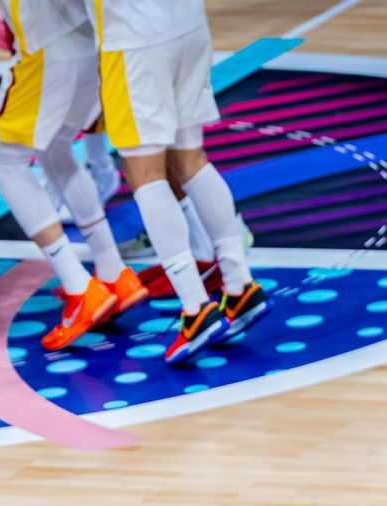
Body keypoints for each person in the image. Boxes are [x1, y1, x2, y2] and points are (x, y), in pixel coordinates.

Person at [87, 0, 271, 365]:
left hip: (134, 37)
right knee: (191, 159)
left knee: (144, 173)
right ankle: (239, 287)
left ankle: (195, 308)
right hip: (188, 24)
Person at [0, 0, 147, 351]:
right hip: (88, 44)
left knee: (4, 163)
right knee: (55, 148)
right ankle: (113, 272)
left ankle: (78, 285)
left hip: (46, 45)